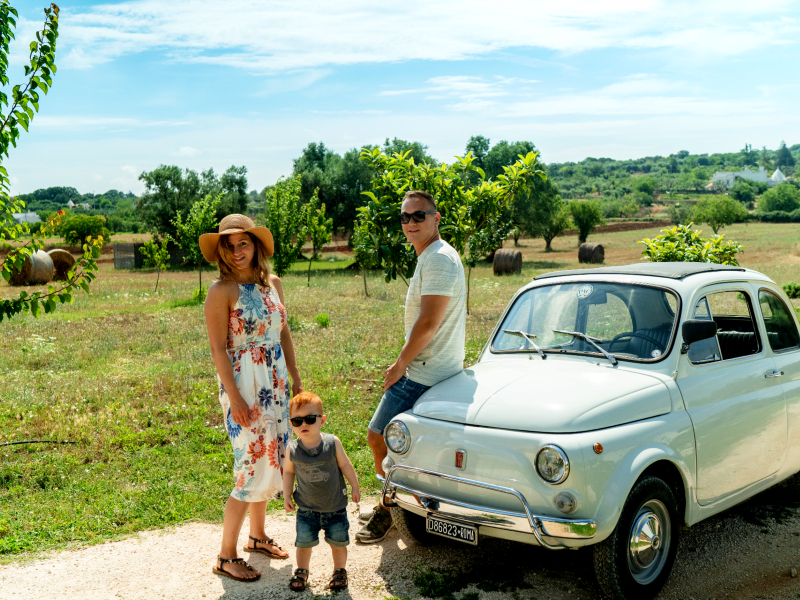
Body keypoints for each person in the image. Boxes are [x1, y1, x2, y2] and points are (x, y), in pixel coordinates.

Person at [357, 190, 466, 543]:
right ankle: (405, 505)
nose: (410, 222)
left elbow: (428, 323)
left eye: (419, 215)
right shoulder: (433, 256)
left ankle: (390, 509)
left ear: (437, 218)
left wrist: (400, 365)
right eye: (405, 217)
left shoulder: (438, 260)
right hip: (436, 366)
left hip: (424, 371)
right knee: (411, 444)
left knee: (378, 437)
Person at [201, 214, 303, 582]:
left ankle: (257, 537)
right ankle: (226, 556)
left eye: (242, 243)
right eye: (228, 246)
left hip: (275, 383)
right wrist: (235, 399)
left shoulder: (273, 283)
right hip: (244, 386)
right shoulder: (221, 291)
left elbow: (283, 334)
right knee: (249, 465)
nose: (236, 251)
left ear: (256, 245)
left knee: (271, 458)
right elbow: (217, 351)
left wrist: (295, 378)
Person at [283, 391, 360, 592]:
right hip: (306, 509)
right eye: (297, 421)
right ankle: (301, 571)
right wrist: (286, 495)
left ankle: (340, 571)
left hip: (335, 507)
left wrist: (355, 485)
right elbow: (289, 472)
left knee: (338, 543)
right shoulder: (292, 449)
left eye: (309, 419)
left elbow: (345, 465)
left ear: (322, 420)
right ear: (291, 424)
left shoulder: (332, 443)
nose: (304, 425)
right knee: (303, 543)